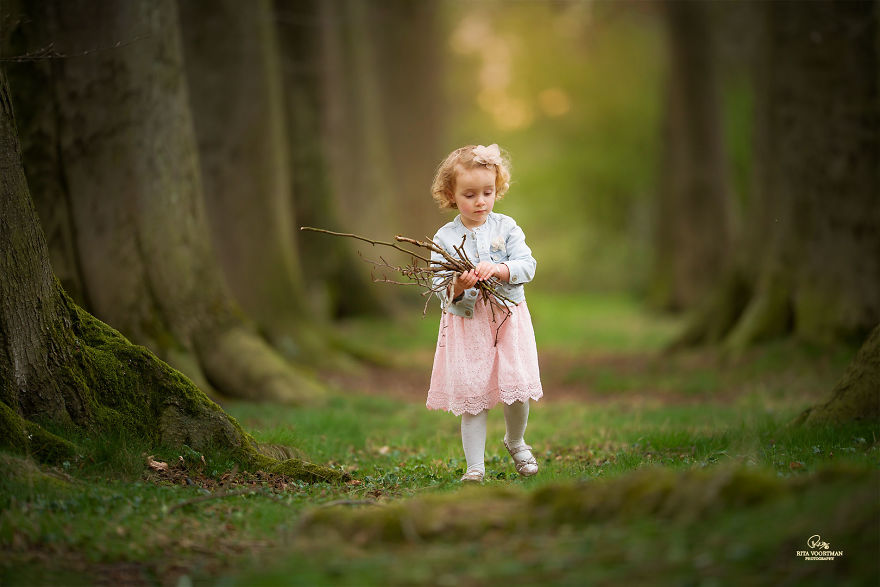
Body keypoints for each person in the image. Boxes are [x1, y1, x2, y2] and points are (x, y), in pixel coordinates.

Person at [426, 143, 543, 482]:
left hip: (507, 318)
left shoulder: (506, 227)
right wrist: (459, 286)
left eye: (487, 192)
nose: (480, 201)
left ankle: (516, 440)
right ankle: (475, 466)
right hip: (469, 324)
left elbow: (528, 265)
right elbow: (438, 285)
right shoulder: (445, 237)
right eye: (470, 194)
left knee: (516, 387)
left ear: (497, 189)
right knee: (473, 396)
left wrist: (500, 269)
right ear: (451, 194)